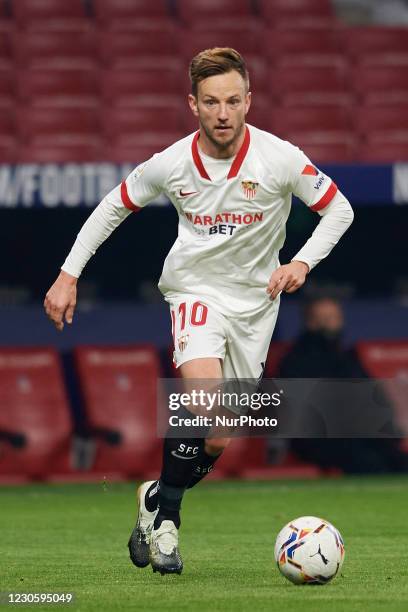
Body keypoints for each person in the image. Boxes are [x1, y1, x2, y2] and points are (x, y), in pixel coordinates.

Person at [44, 48, 354, 575]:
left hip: (257, 306)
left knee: (216, 436)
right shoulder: (172, 162)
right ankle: (168, 522)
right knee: (206, 403)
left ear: (249, 101)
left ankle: (154, 498)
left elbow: (338, 209)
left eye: (233, 100)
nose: (223, 112)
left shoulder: (278, 157)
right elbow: (114, 204)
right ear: (193, 104)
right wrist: (68, 274)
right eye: (211, 101)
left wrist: (301, 263)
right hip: (195, 292)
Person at [279, 296, 408, 472]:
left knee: (397, 460)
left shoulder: (347, 357)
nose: (329, 323)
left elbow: (374, 396)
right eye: (323, 318)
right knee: (368, 461)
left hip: (362, 438)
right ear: (310, 322)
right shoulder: (296, 360)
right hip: (320, 441)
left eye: (334, 318)